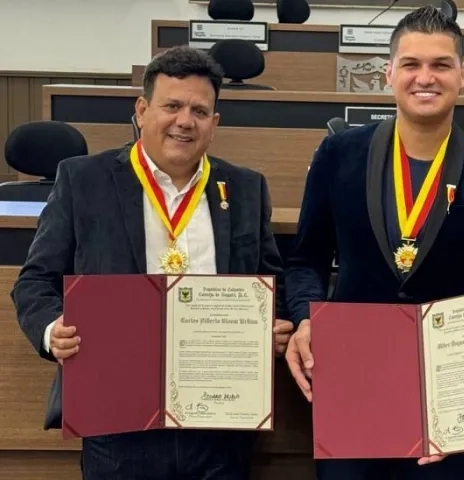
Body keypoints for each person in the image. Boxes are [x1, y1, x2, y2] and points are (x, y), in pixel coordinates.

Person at [11, 46, 293, 480]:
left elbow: (271, 280)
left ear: (214, 123)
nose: (185, 121)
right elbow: (34, 282)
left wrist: (273, 323)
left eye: (200, 110)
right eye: (172, 106)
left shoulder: (244, 188)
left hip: (218, 421)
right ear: (142, 110)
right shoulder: (83, 180)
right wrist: (52, 330)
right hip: (117, 419)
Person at [284, 6, 464, 480]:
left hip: (450, 394)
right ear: (388, 73)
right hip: (353, 381)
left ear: (462, 74)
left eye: (440, 65)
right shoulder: (339, 154)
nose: (426, 77)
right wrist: (305, 316)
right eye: (412, 64)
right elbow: (305, 259)